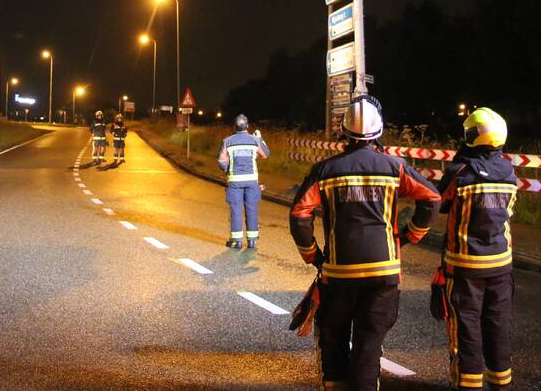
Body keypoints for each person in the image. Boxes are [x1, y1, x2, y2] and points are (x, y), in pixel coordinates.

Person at [290, 94, 441, 391]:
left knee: (334, 344)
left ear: (344, 131)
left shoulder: (325, 170)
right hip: (383, 273)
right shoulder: (393, 167)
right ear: (379, 131)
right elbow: (432, 198)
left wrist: (313, 256)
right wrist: (410, 235)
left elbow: (299, 214)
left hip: (338, 275)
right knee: (367, 347)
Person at [438, 107, 517, 390]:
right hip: (501, 264)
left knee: (467, 328)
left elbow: (441, 204)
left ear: (470, 136)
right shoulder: (510, 173)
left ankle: (468, 385)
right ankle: (501, 384)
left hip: (465, 265)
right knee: (497, 326)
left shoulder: (459, 172)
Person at [216, 114, 269, 249]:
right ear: (247, 126)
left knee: (236, 209)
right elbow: (265, 154)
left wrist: (228, 169)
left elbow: (221, 161)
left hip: (234, 181)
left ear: (234, 127)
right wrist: (260, 138)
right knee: (252, 209)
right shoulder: (254, 140)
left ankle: (236, 241)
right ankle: (252, 241)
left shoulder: (227, 141)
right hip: (252, 181)